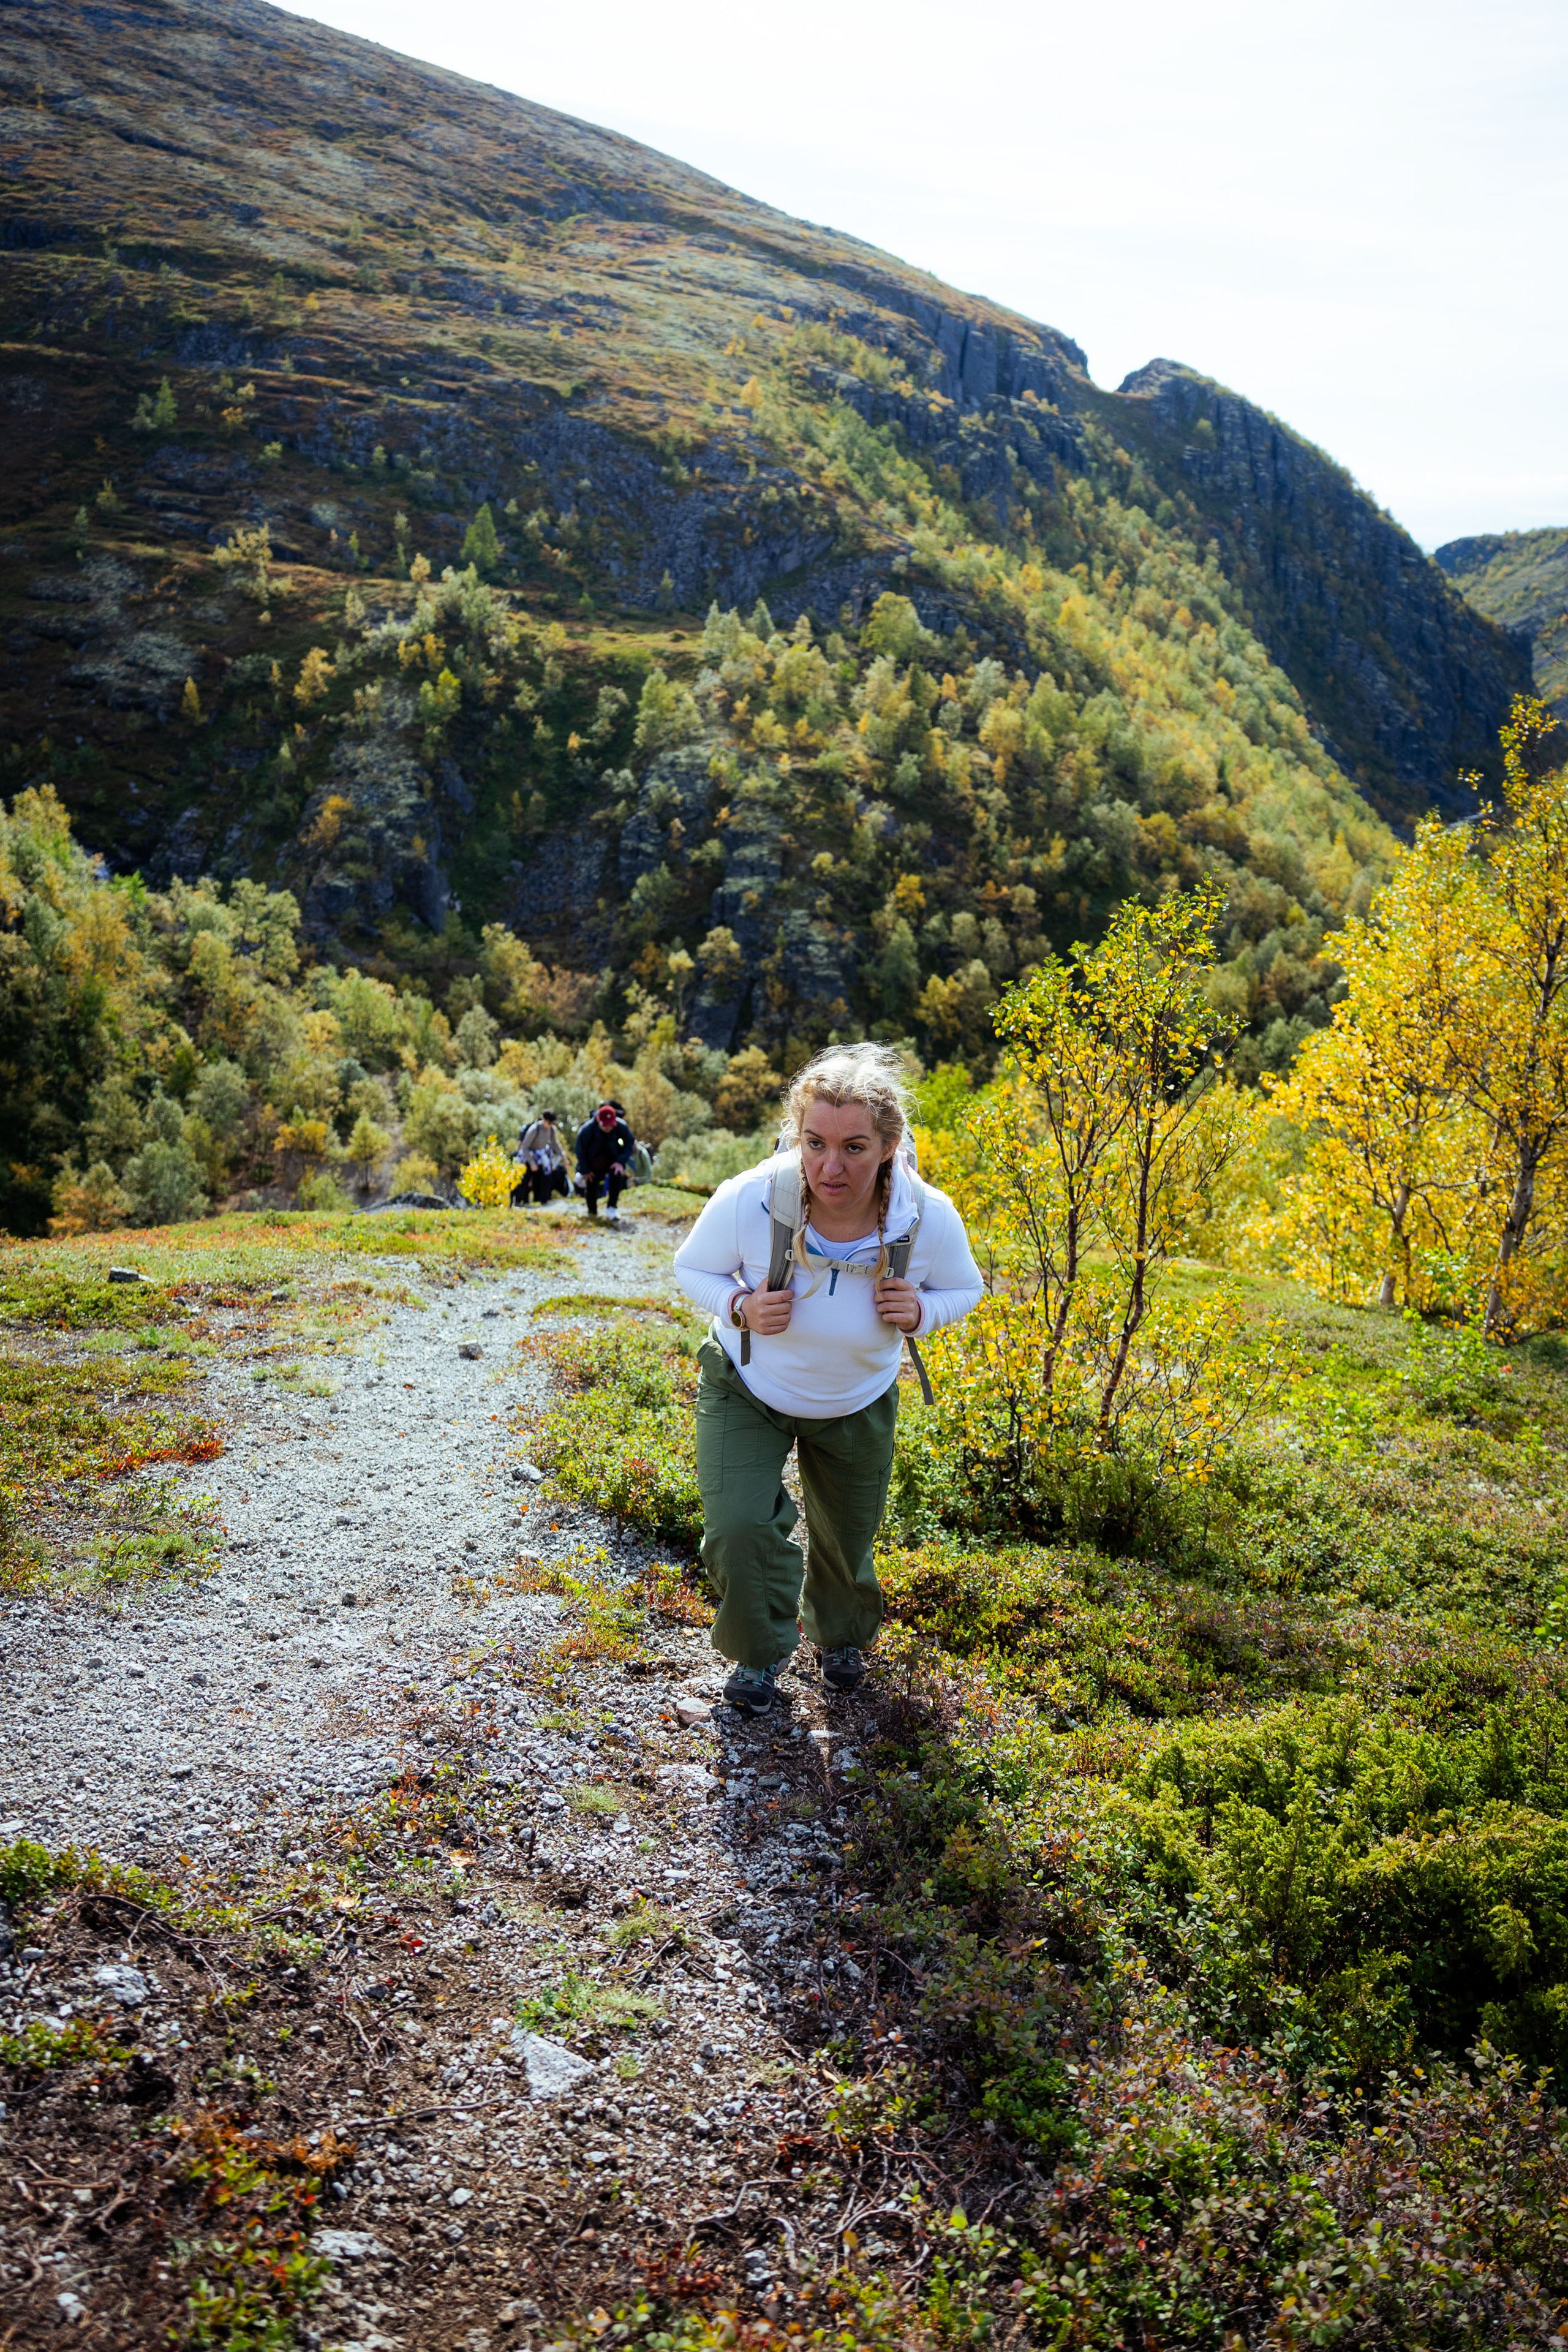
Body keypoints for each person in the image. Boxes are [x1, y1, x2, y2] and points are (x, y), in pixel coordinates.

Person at [672, 1042, 982, 1716]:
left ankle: (840, 1636)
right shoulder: (752, 1198)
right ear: (797, 1133)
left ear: (890, 1147)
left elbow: (966, 1287)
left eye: (854, 1148)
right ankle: (759, 1656)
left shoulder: (928, 1216)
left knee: (846, 1536)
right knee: (738, 1529)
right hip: (746, 1387)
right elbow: (692, 1267)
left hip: (856, 1398)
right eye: (815, 1143)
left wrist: (924, 1311)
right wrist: (739, 1305)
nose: (830, 1167)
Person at [575, 1101, 636, 1220]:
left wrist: (620, 1161)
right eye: (605, 1125)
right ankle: (592, 1213)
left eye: (610, 1125)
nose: (608, 1128)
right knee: (591, 1183)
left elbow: (630, 1142)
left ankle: (612, 1208)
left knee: (617, 1176)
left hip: (613, 1161)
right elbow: (580, 1151)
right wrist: (585, 1170)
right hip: (593, 1163)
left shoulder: (621, 1126)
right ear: (598, 1120)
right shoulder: (586, 1130)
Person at [514, 1109, 568, 1207]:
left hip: (542, 1154)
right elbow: (525, 1147)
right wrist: (531, 1163)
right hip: (529, 1155)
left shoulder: (551, 1129)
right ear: (544, 1119)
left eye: (552, 1123)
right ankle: (520, 1202)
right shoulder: (535, 1129)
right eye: (549, 1122)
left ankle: (544, 1200)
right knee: (525, 1179)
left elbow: (555, 1144)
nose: (550, 1125)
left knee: (547, 1176)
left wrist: (564, 1157)